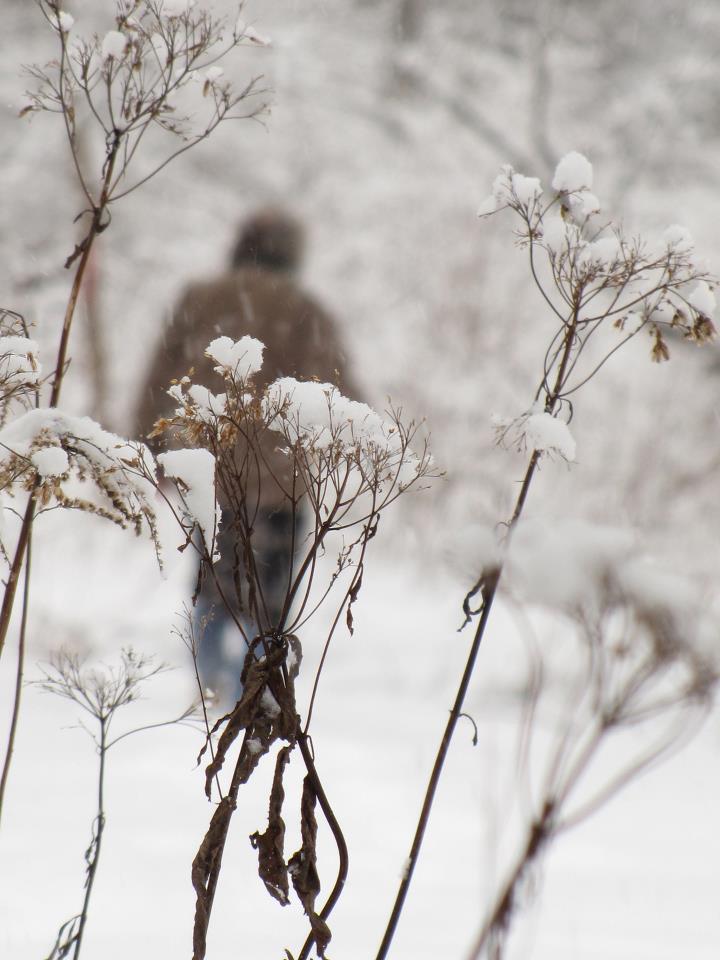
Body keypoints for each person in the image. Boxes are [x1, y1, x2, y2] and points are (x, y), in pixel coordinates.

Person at [135, 208, 357, 701]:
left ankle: (209, 683)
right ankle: (256, 691)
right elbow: (339, 386)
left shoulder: (200, 299)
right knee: (271, 595)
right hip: (282, 478)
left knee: (213, 581)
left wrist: (146, 448)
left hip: (212, 471)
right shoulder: (306, 309)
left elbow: (159, 376)